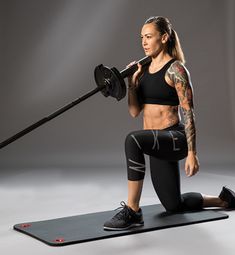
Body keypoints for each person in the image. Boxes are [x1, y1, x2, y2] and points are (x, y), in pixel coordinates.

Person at [103, 16, 235, 231]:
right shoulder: (143, 70)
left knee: (132, 140)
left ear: (164, 38)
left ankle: (133, 210)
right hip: (156, 143)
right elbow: (135, 112)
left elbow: (189, 113)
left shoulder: (176, 70)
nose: (144, 42)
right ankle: (224, 200)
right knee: (174, 205)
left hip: (174, 138)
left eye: (149, 37)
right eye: (142, 38)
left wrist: (192, 153)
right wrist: (132, 83)